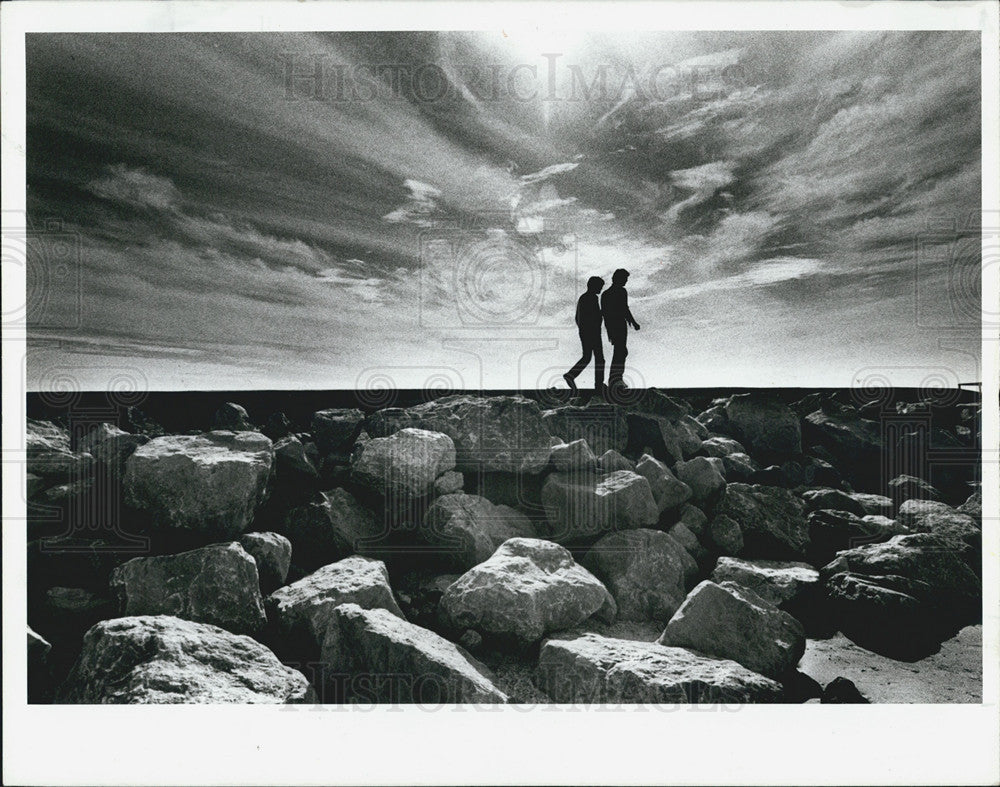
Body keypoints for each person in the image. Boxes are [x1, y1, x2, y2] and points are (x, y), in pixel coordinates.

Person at [563, 276, 605, 395]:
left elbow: (578, 318)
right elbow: (594, 316)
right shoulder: (591, 298)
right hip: (592, 333)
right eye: (600, 287)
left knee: (587, 357)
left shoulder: (584, 298)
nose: (601, 289)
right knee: (599, 359)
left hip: (586, 332)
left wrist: (583, 330)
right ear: (593, 286)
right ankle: (598, 386)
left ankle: (571, 375)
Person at [600, 268, 640, 392]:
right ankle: (615, 379)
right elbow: (624, 309)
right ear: (617, 279)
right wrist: (633, 322)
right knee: (621, 351)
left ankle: (615, 379)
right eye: (624, 279)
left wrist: (609, 330)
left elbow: (605, 314)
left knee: (621, 351)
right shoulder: (620, 291)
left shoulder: (605, 294)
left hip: (613, 326)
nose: (626, 282)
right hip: (618, 325)